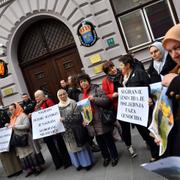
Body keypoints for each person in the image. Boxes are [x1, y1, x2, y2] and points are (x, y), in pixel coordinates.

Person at [118, 54, 160, 161]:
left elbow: (150, 87)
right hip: (136, 114)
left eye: (121, 65)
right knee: (144, 134)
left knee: (151, 132)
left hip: (146, 110)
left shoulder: (139, 73)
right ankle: (155, 150)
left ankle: (156, 153)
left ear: (127, 65)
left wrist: (150, 98)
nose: (120, 67)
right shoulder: (124, 77)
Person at [77, 73, 119, 167]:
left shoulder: (96, 89)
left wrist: (94, 99)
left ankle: (114, 156)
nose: (83, 83)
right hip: (91, 123)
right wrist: (84, 120)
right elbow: (82, 110)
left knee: (108, 140)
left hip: (101, 120)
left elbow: (106, 101)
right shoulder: (80, 96)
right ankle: (106, 157)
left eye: (84, 81)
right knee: (100, 142)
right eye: (81, 82)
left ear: (88, 81)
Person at [102, 60, 137, 158]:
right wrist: (111, 95)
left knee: (140, 124)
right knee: (125, 129)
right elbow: (105, 95)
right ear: (107, 73)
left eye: (112, 67)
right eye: (109, 70)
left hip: (132, 103)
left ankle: (147, 140)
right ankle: (129, 146)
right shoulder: (105, 81)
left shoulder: (123, 72)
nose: (112, 70)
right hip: (119, 108)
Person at [34, 90, 71, 169]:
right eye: (35, 97)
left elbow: (54, 112)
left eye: (37, 96)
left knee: (60, 144)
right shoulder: (37, 106)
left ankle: (66, 161)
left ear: (42, 96)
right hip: (45, 130)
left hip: (54, 128)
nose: (36, 98)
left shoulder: (48, 101)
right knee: (51, 147)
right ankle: (57, 163)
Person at [57, 89, 93, 171]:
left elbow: (78, 116)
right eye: (60, 95)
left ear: (67, 94)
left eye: (64, 94)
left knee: (81, 147)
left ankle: (87, 163)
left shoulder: (72, 102)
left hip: (76, 129)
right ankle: (78, 164)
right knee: (72, 149)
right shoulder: (57, 107)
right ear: (58, 97)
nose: (63, 96)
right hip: (67, 132)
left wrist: (65, 119)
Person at [160, 24, 180, 156]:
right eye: (170, 51)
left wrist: (175, 82)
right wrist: (162, 133)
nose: (174, 54)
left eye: (177, 47)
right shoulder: (175, 70)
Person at [7, 103, 43, 177]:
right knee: (23, 155)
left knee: (30, 153)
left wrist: (15, 126)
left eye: (12, 109)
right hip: (18, 139)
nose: (11, 111)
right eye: (10, 110)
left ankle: (38, 168)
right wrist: (8, 126)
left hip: (26, 138)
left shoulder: (22, 115)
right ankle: (30, 169)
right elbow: (12, 127)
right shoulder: (12, 118)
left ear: (16, 108)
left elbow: (27, 125)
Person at [0, 107, 22, 177]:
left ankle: (18, 169)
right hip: (1, 139)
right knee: (3, 155)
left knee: (12, 152)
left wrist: (7, 124)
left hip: (7, 135)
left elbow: (11, 120)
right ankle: (10, 172)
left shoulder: (4, 112)